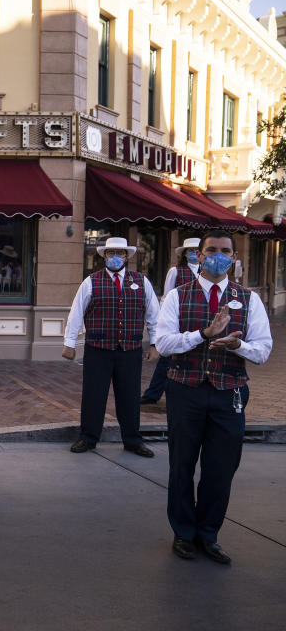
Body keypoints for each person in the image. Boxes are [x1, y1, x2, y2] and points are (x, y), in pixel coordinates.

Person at [155, 230, 272, 564]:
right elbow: (163, 343)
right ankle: (183, 533)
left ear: (234, 258)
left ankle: (208, 534)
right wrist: (203, 335)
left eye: (225, 251)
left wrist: (239, 346)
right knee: (181, 464)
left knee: (221, 468)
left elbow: (262, 350)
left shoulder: (249, 299)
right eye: (211, 250)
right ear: (199, 255)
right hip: (185, 390)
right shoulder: (178, 296)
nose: (218, 256)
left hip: (229, 392)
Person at [62, 237, 159, 457]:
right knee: (93, 395)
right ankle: (88, 438)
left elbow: (154, 315)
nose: (115, 257)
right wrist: (69, 343)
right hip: (98, 348)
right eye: (110, 253)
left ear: (127, 257)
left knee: (130, 396)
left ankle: (133, 440)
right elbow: (76, 314)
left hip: (130, 348)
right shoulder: (90, 282)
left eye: (119, 253)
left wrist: (155, 343)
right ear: (104, 256)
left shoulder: (141, 281)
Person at [141, 238, 200, 405]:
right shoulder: (176, 271)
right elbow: (166, 296)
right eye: (190, 251)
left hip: (197, 321)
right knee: (167, 358)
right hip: (177, 320)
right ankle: (153, 393)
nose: (194, 254)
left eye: (197, 250)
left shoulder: (206, 271)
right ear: (184, 254)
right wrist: (162, 320)